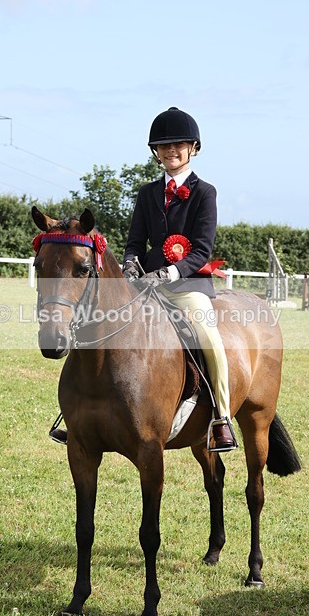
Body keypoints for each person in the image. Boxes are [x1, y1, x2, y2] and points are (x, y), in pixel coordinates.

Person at [122, 106, 237, 451]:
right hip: (146, 284)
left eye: (178, 144)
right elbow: (134, 242)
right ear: (156, 152)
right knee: (102, 323)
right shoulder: (146, 193)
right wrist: (130, 264)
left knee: (209, 337)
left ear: (193, 148)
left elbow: (202, 250)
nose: (171, 150)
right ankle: (80, 414)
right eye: (164, 145)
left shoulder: (205, 192)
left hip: (187, 285)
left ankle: (222, 418)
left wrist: (169, 272)